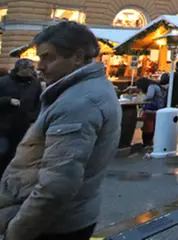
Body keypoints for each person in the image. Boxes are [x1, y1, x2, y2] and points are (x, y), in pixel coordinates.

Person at [0, 21, 121, 240]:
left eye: (49, 57)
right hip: (70, 216)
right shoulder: (88, 90)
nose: (40, 66)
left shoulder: (79, 102)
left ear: (77, 57)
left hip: (52, 225)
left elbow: (56, 186)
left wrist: (18, 231)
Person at [0, 58, 40, 175]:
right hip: (3, 127)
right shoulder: (3, 82)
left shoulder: (35, 84)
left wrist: (33, 118)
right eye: (30, 68)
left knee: (19, 156)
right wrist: (7, 101)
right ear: (21, 69)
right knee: (2, 154)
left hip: (24, 127)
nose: (33, 71)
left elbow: (38, 104)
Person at [140, 75, 166, 147]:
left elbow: (149, 96)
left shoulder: (151, 86)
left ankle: (147, 142)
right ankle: (149, 141)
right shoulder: (156, 85)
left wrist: (141, 101)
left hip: (153, 108)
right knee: (152, 125)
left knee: (147, 122)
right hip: (159, 107)